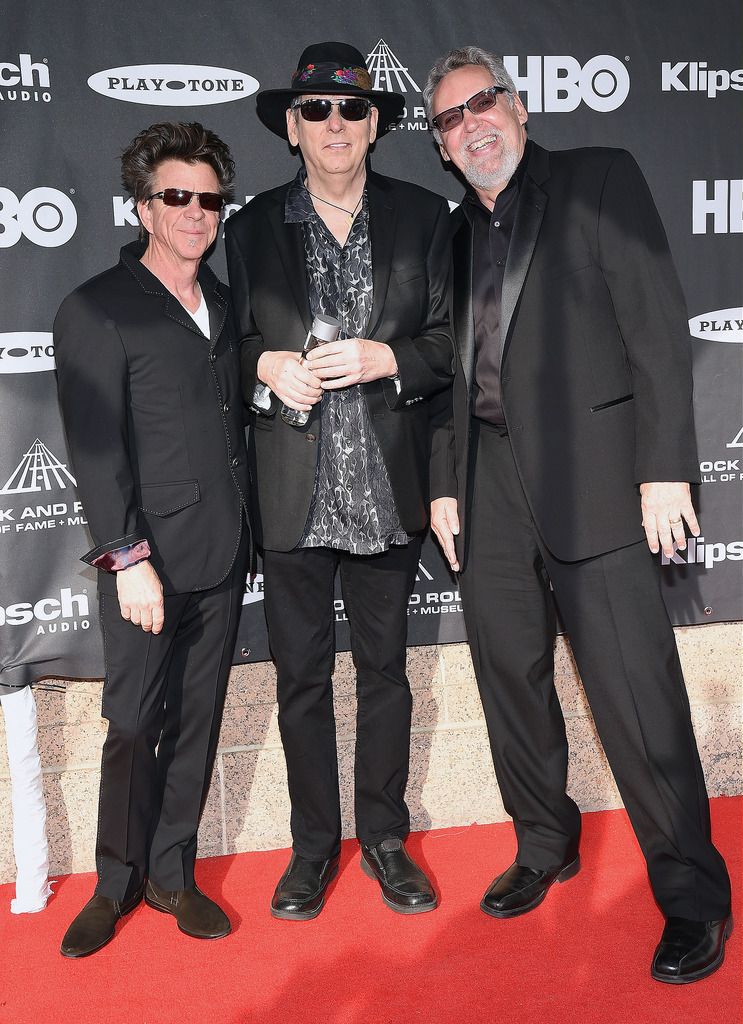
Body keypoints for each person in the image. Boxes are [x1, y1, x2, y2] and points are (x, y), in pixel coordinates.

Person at [424, 47, 731, 983]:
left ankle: (691, 896)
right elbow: (447, 374)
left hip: (599, 483)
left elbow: (654, 323)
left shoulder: (597, 176)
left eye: (482, 103)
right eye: (449, 119)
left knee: (637, 699)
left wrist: (666, 469)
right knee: (510, 687)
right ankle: (544, 842)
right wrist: (443, 481)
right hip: (486, 494)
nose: (471, 124)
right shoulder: (452, 233)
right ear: (439, 146)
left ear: (516, 108)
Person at [226, 41, 452, 919]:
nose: (333, 124)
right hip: (292, 492)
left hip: (386, 492)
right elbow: (227, 347)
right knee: (300, 680)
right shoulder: (247, 231)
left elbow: (448, 346)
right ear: (290, 127)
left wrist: (389, 354)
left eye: (350, 110)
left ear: (374, 126)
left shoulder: (425, 218)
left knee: (387, 674)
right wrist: (265, 366)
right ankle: (314, 846)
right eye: (314, 110)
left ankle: (385, 837)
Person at [54, 122, 250, 957]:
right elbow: (97, 453)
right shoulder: (95, 308)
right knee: (133, 723)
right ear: (144, 207)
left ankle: (173, 873)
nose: (196, 213)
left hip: (222, 552)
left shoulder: (226, 304)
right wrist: (128, 559)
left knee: (198, 719)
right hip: (146, 564)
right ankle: (113, 883)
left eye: (209, 199)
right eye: (178, 197)